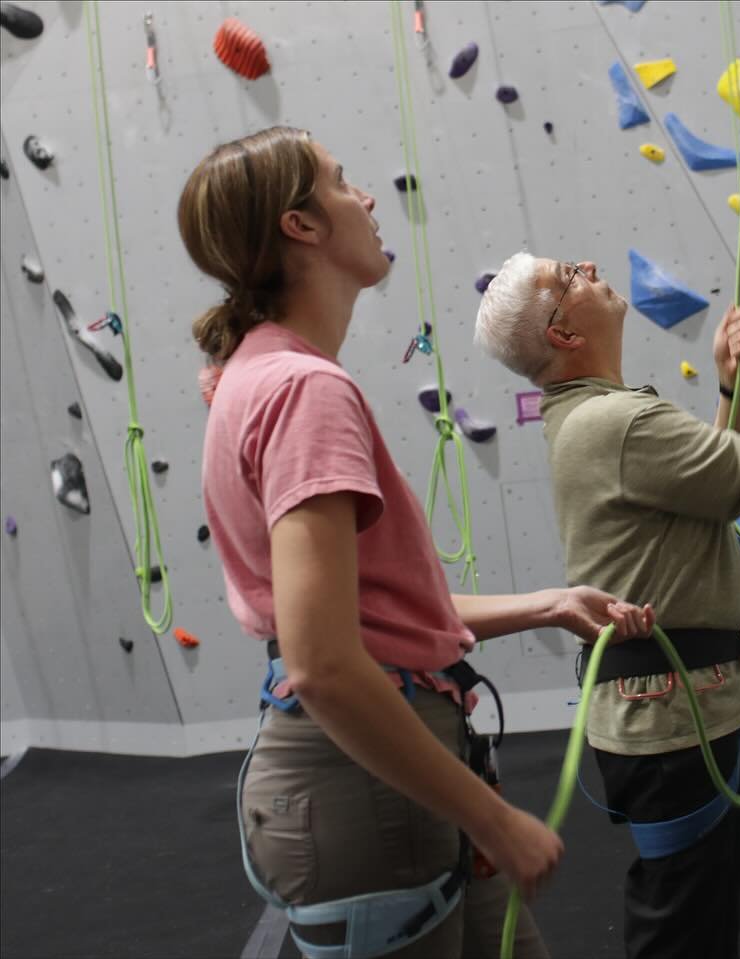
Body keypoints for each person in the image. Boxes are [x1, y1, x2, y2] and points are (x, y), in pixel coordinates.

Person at [177, 127, 656, 959]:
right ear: (302, 227)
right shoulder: (302, 391)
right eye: (340, 181)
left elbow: (364, 614)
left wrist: (549, 602)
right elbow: (323, 662)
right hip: (368, 782)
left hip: (379, 772)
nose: (365, 198)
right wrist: (491, 814)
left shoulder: (258, 374)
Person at [474, 253, 740, 959]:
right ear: (561, 332)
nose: (589, 265)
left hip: (673, 714)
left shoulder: (593, 418)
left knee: (700, 912)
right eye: (570, 275)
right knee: (682, 927)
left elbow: (720, 488)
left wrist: (728, 387)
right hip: (673, 722)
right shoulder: (614, 423)